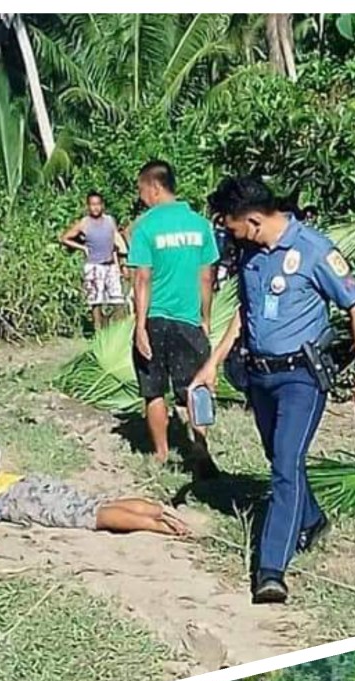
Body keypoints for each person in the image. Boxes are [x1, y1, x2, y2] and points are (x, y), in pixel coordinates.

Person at [193, 175, 355, 605]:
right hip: (259, 376)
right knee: (279, 457)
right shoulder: (251, 253)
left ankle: (271, 569)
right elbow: (246, 312)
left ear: (255, 220)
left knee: (284, 465)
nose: (228, 234)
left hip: (302, 377)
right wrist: (212, 363)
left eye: (231, 226)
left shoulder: (314, 250)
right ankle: (312, 520)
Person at [127, 160, 219, 471]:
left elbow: (142, 278)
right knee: (197, 387)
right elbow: (206, 278)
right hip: (188, 319)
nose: (142, 197)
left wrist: (139, 326)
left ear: (154, 187)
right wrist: (205, 318)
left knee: (154, 390)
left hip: (154, 319)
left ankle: (162, 453)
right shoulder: (200, 225)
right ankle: (199, 447)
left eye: (141, 190)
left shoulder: (145, 227)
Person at [0, 464, 190, 537]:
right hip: (20, 481)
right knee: (94, 502)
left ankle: (159, 528)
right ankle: (161, 511)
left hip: (15, 500)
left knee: (92, 517)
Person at [60, 190, 129, 330]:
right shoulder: (84, 223)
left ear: (102, 205)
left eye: (98, 204)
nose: (95, 207)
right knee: (96, 302)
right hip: (93, 266)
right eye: (92, 205)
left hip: (110, 265)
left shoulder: (110, 221)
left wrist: (120, 265)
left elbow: (115, 242)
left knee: (118, 300)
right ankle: (99, 331)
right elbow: (64, 238)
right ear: (88, 206)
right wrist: (82, 248)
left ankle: (116, 331)